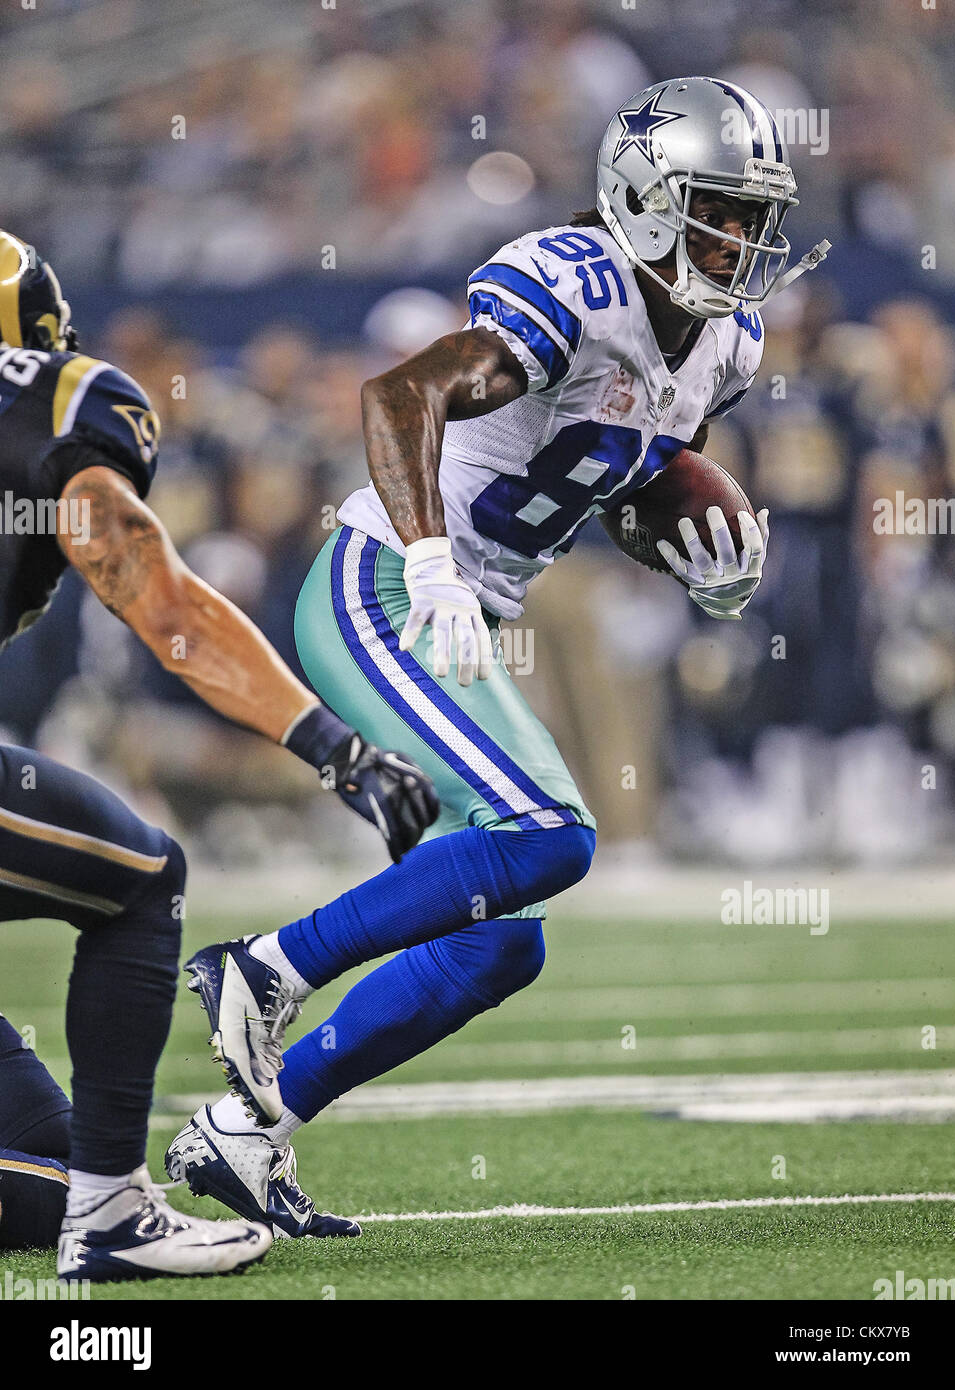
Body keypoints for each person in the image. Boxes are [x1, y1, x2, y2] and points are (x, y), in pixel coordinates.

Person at [167, 78, 828, 1231]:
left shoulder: (725, 344)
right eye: (720, 210)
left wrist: (697, 561)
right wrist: (429, 558)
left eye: (753, 215)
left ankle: (245, 1134)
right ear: (648, 199)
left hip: (457, 604)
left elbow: (613, 485)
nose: (743, 239)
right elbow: (399, 395)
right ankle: (262, 968)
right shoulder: (574, 282)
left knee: (497, 946)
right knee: (553, 835)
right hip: (385, 586)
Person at [0, 230, 438, 1277]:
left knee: (47, 1166)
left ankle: (89, 1200)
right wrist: (334, 746)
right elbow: (163, 605)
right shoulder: (60, 399)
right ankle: (109, 1225)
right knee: (144, 879)